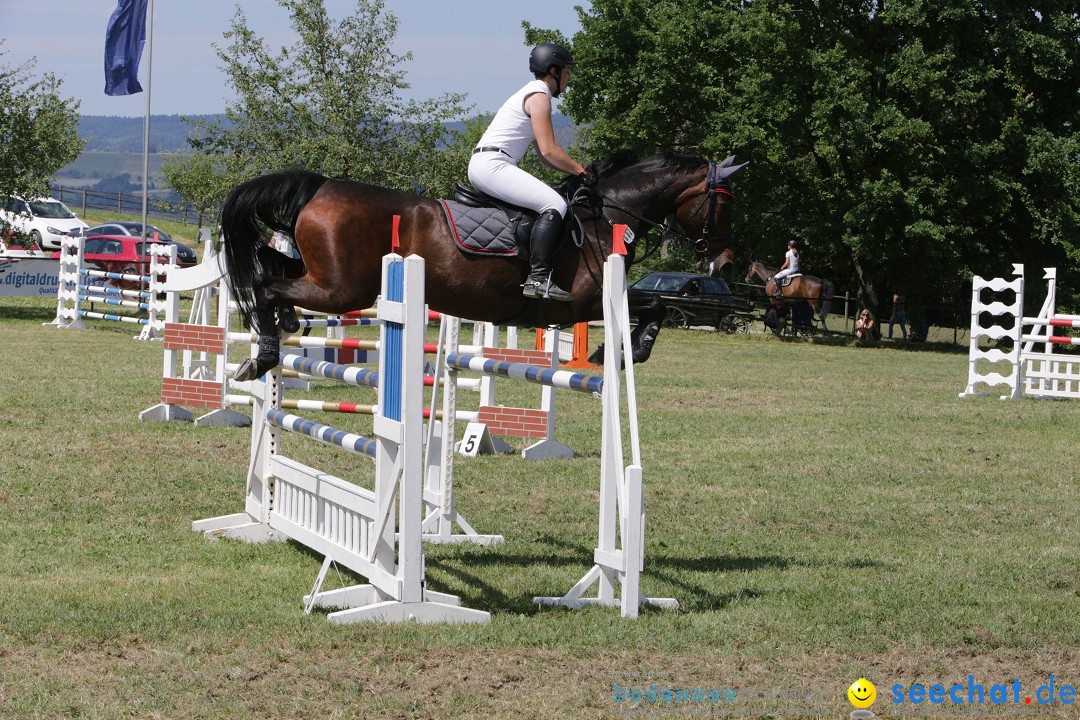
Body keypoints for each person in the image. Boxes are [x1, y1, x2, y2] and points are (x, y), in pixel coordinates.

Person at [467, 42, 590, 302]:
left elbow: (545, 157)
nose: (569, 78)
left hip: (488, 163)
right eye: (567, 71)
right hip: (493, 165)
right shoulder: (539, 95)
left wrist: (572, 170)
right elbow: (548, 151)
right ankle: (538, 278)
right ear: (553, 71)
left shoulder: (532, 93)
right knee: (555, 205)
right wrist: (582, 172)